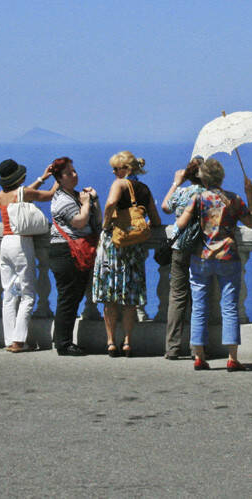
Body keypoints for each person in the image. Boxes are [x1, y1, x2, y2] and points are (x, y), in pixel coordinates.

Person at [174, 158, 252, 372]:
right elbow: (251, 223)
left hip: (201, 256)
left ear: (203, 177)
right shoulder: (233, 199)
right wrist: (250, 194)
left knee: (199, 308)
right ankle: (232, 358)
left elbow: (181, 224)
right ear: (221, 176)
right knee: (230, 307)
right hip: (228, 256)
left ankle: (199, 357)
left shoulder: (199, 198)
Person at [95, 151, 162, 357]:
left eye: (118, 168)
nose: (115, 172)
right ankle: (127, 342)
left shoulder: (119, 184)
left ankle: (110, 342)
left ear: (128, 169)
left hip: (115, 244)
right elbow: (156, 220)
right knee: (130, 297)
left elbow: (110, 203)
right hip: (134, 247)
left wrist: (105, 223)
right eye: (114, 169)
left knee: (110, 295)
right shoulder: (145, 189)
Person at [0, 158, 57, 353]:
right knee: (28, 293)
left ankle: (9, 339)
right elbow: (49, 196)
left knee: (8, 294)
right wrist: (57, 178)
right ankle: (18, 341)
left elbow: (24, 194)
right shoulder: (22, 193)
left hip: (5, 243)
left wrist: (42, 177)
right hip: (21, 243)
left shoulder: (1, 195)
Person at [48, 156, 100, 356]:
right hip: (65, 252)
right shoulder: (62, 199)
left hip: (75, 252)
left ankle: (64, 340)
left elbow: (97, 221)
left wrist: (93, 201)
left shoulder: (75, 196)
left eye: (74, 171)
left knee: (74, 296)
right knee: (68, 298)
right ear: (59, 179)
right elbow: (78, 221)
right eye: (69, 173)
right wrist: (86, 204)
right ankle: (63, 343)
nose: (74, 175)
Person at [160, 156, 205, 359]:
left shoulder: (182, 192)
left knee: (177, 297)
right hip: (201, 249)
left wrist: (176, 182)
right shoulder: (209, 194)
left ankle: (172, 347)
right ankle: (198, 347)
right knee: (199, 296)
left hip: (179, 247)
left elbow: (166, 206)